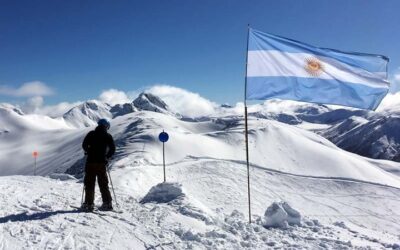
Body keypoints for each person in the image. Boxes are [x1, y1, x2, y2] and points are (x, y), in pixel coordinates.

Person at [81, 118, 116, 211]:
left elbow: (84, 145)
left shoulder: (91, 134)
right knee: (103, 183)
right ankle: (107, 203)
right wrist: (107, 157)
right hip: (101, 163)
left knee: (89, 183)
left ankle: (89, 204)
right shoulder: (108, 136)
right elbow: (112, 149)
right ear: (106, 126)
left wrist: (88, 151)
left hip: (90, 162)